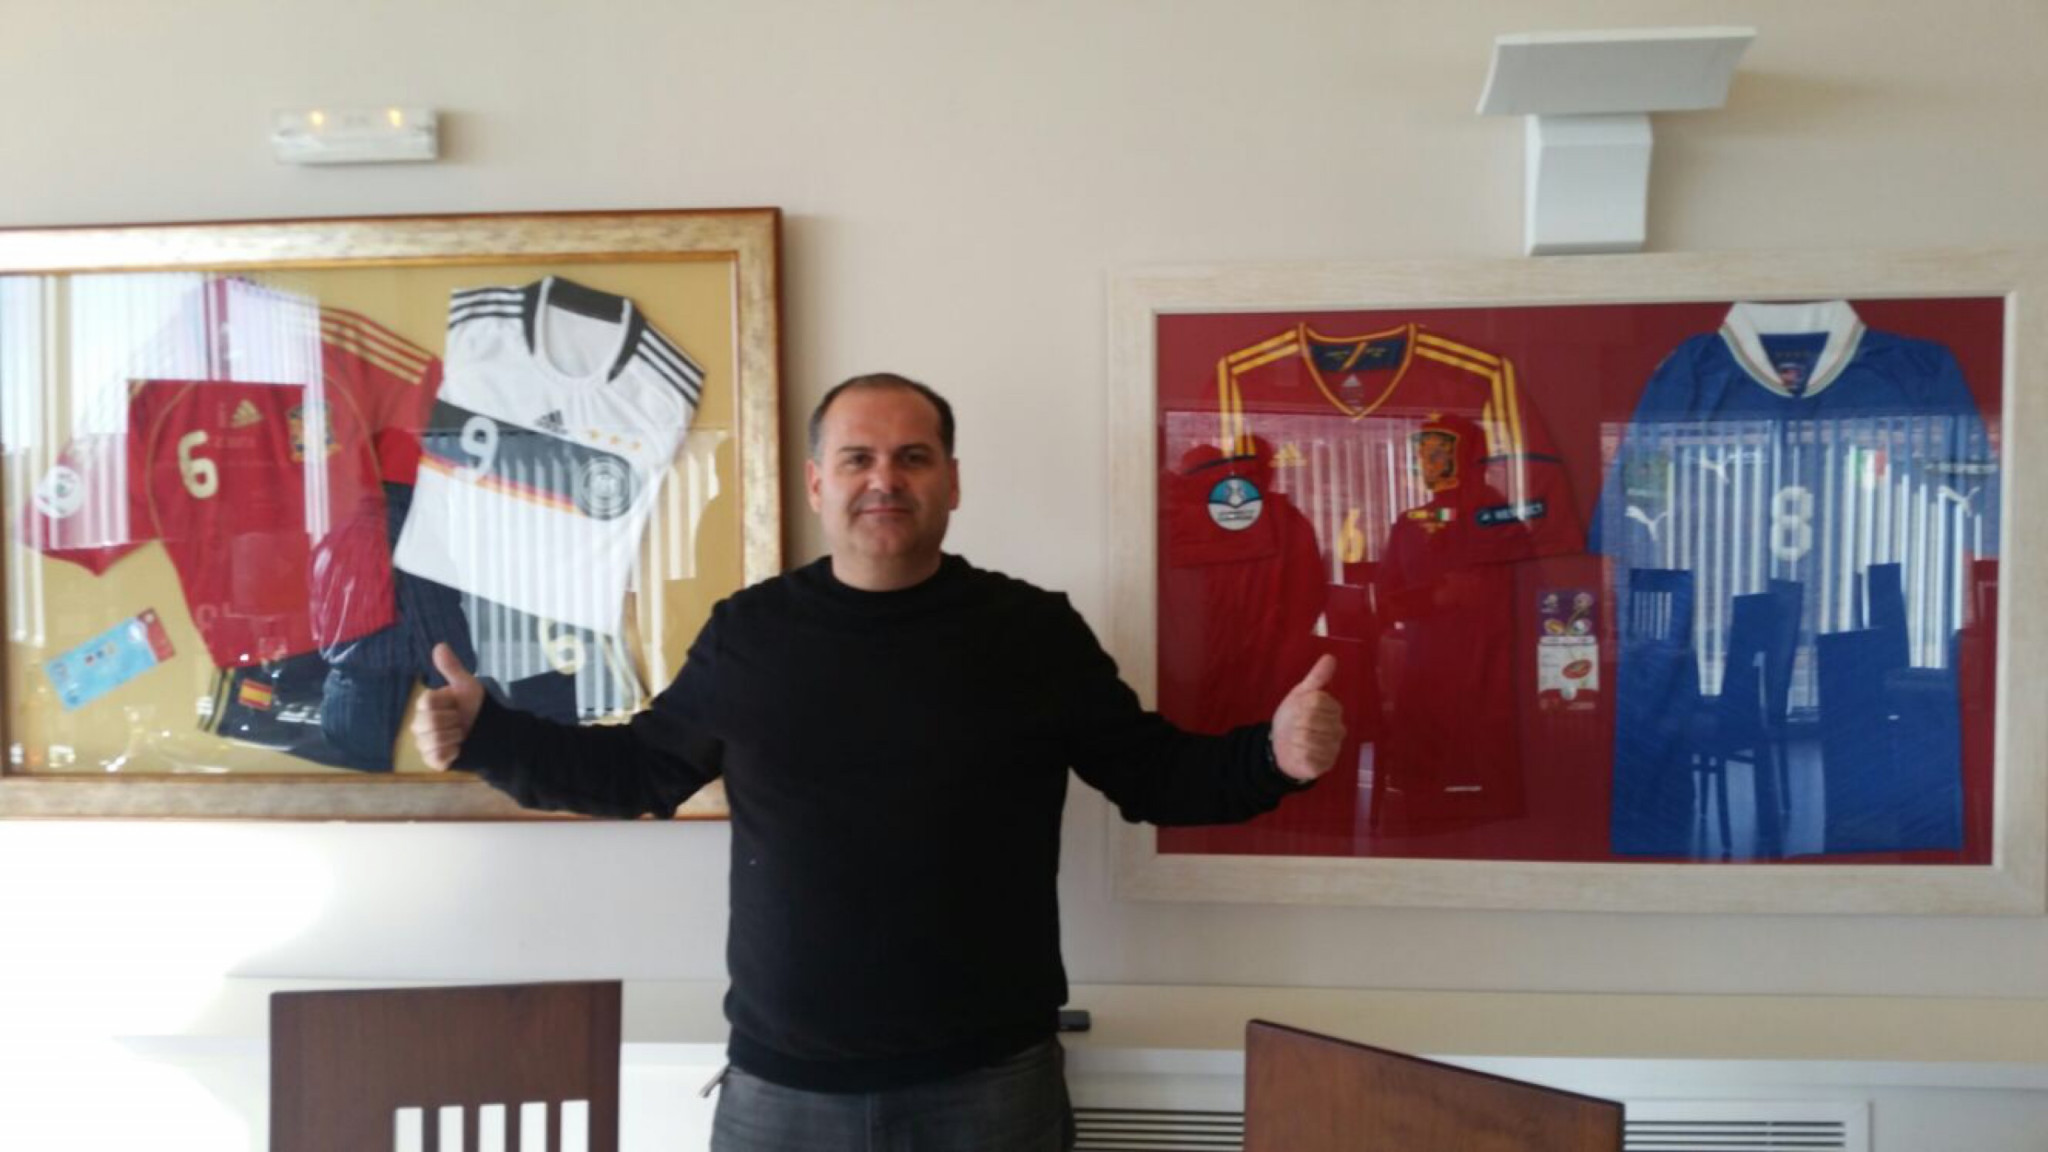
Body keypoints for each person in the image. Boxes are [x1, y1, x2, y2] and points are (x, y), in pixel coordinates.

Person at [412, 372, 1345, 1151]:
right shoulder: (750, 635)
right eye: (858, 457)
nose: (884, 479)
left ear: (953, 481)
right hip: (783, 1095)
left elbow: (1154, 775)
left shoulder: (1033, 634)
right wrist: (491, 735)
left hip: (990, 1089)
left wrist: (1274, 754)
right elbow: (640, 774)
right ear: (817, 482)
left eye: (913, 457)